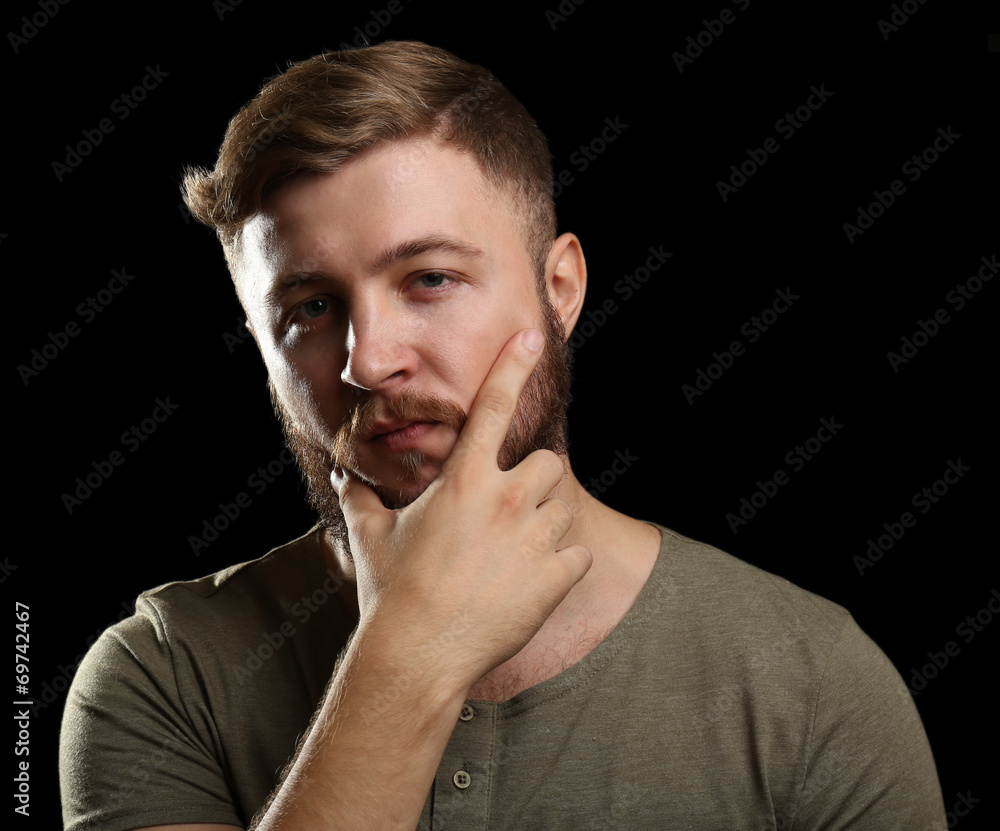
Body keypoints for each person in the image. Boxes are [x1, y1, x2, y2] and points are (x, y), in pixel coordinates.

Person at [60, 41, 946, 831]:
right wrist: (408, 650)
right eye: (312, 308)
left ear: (559, 289)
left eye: (431, 278)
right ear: (261, 346)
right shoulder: (158, 675)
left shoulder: (815, 682)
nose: (370, 361)